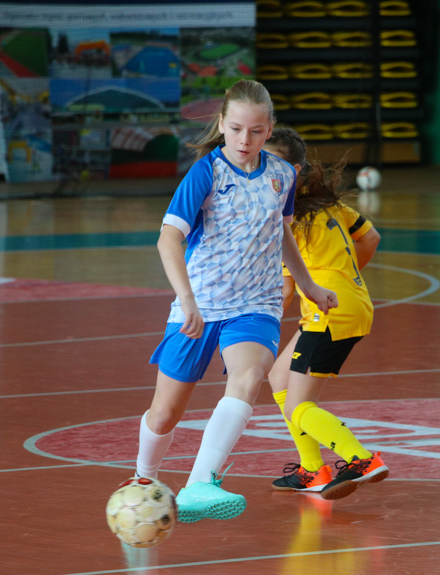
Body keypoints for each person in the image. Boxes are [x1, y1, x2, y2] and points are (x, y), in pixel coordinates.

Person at [133, 80, 338, 524]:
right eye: (238, 129)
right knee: (165, 414)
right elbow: (169, 239)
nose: (246, 140)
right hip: (200, 304)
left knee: (249, 378)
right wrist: (186, 299)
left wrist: (307, 285)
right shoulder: (206, 173)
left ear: (270, 130)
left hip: (256, 304)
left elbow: (279, 230)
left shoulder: (283, 175)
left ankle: (199, 483)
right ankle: (143, 480)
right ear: (222, 124)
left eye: (258, 131)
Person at [263, 127, 388, 500]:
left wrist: (255, 332)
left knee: (300, 407)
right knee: (279, 378)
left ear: (293, 171)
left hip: (327, 313)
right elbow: (370, 238)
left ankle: (361, 459)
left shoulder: (288, 217)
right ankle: (311, 470)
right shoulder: (325, 204)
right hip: (347, 304)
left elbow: (285, 290)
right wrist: (341, 281)